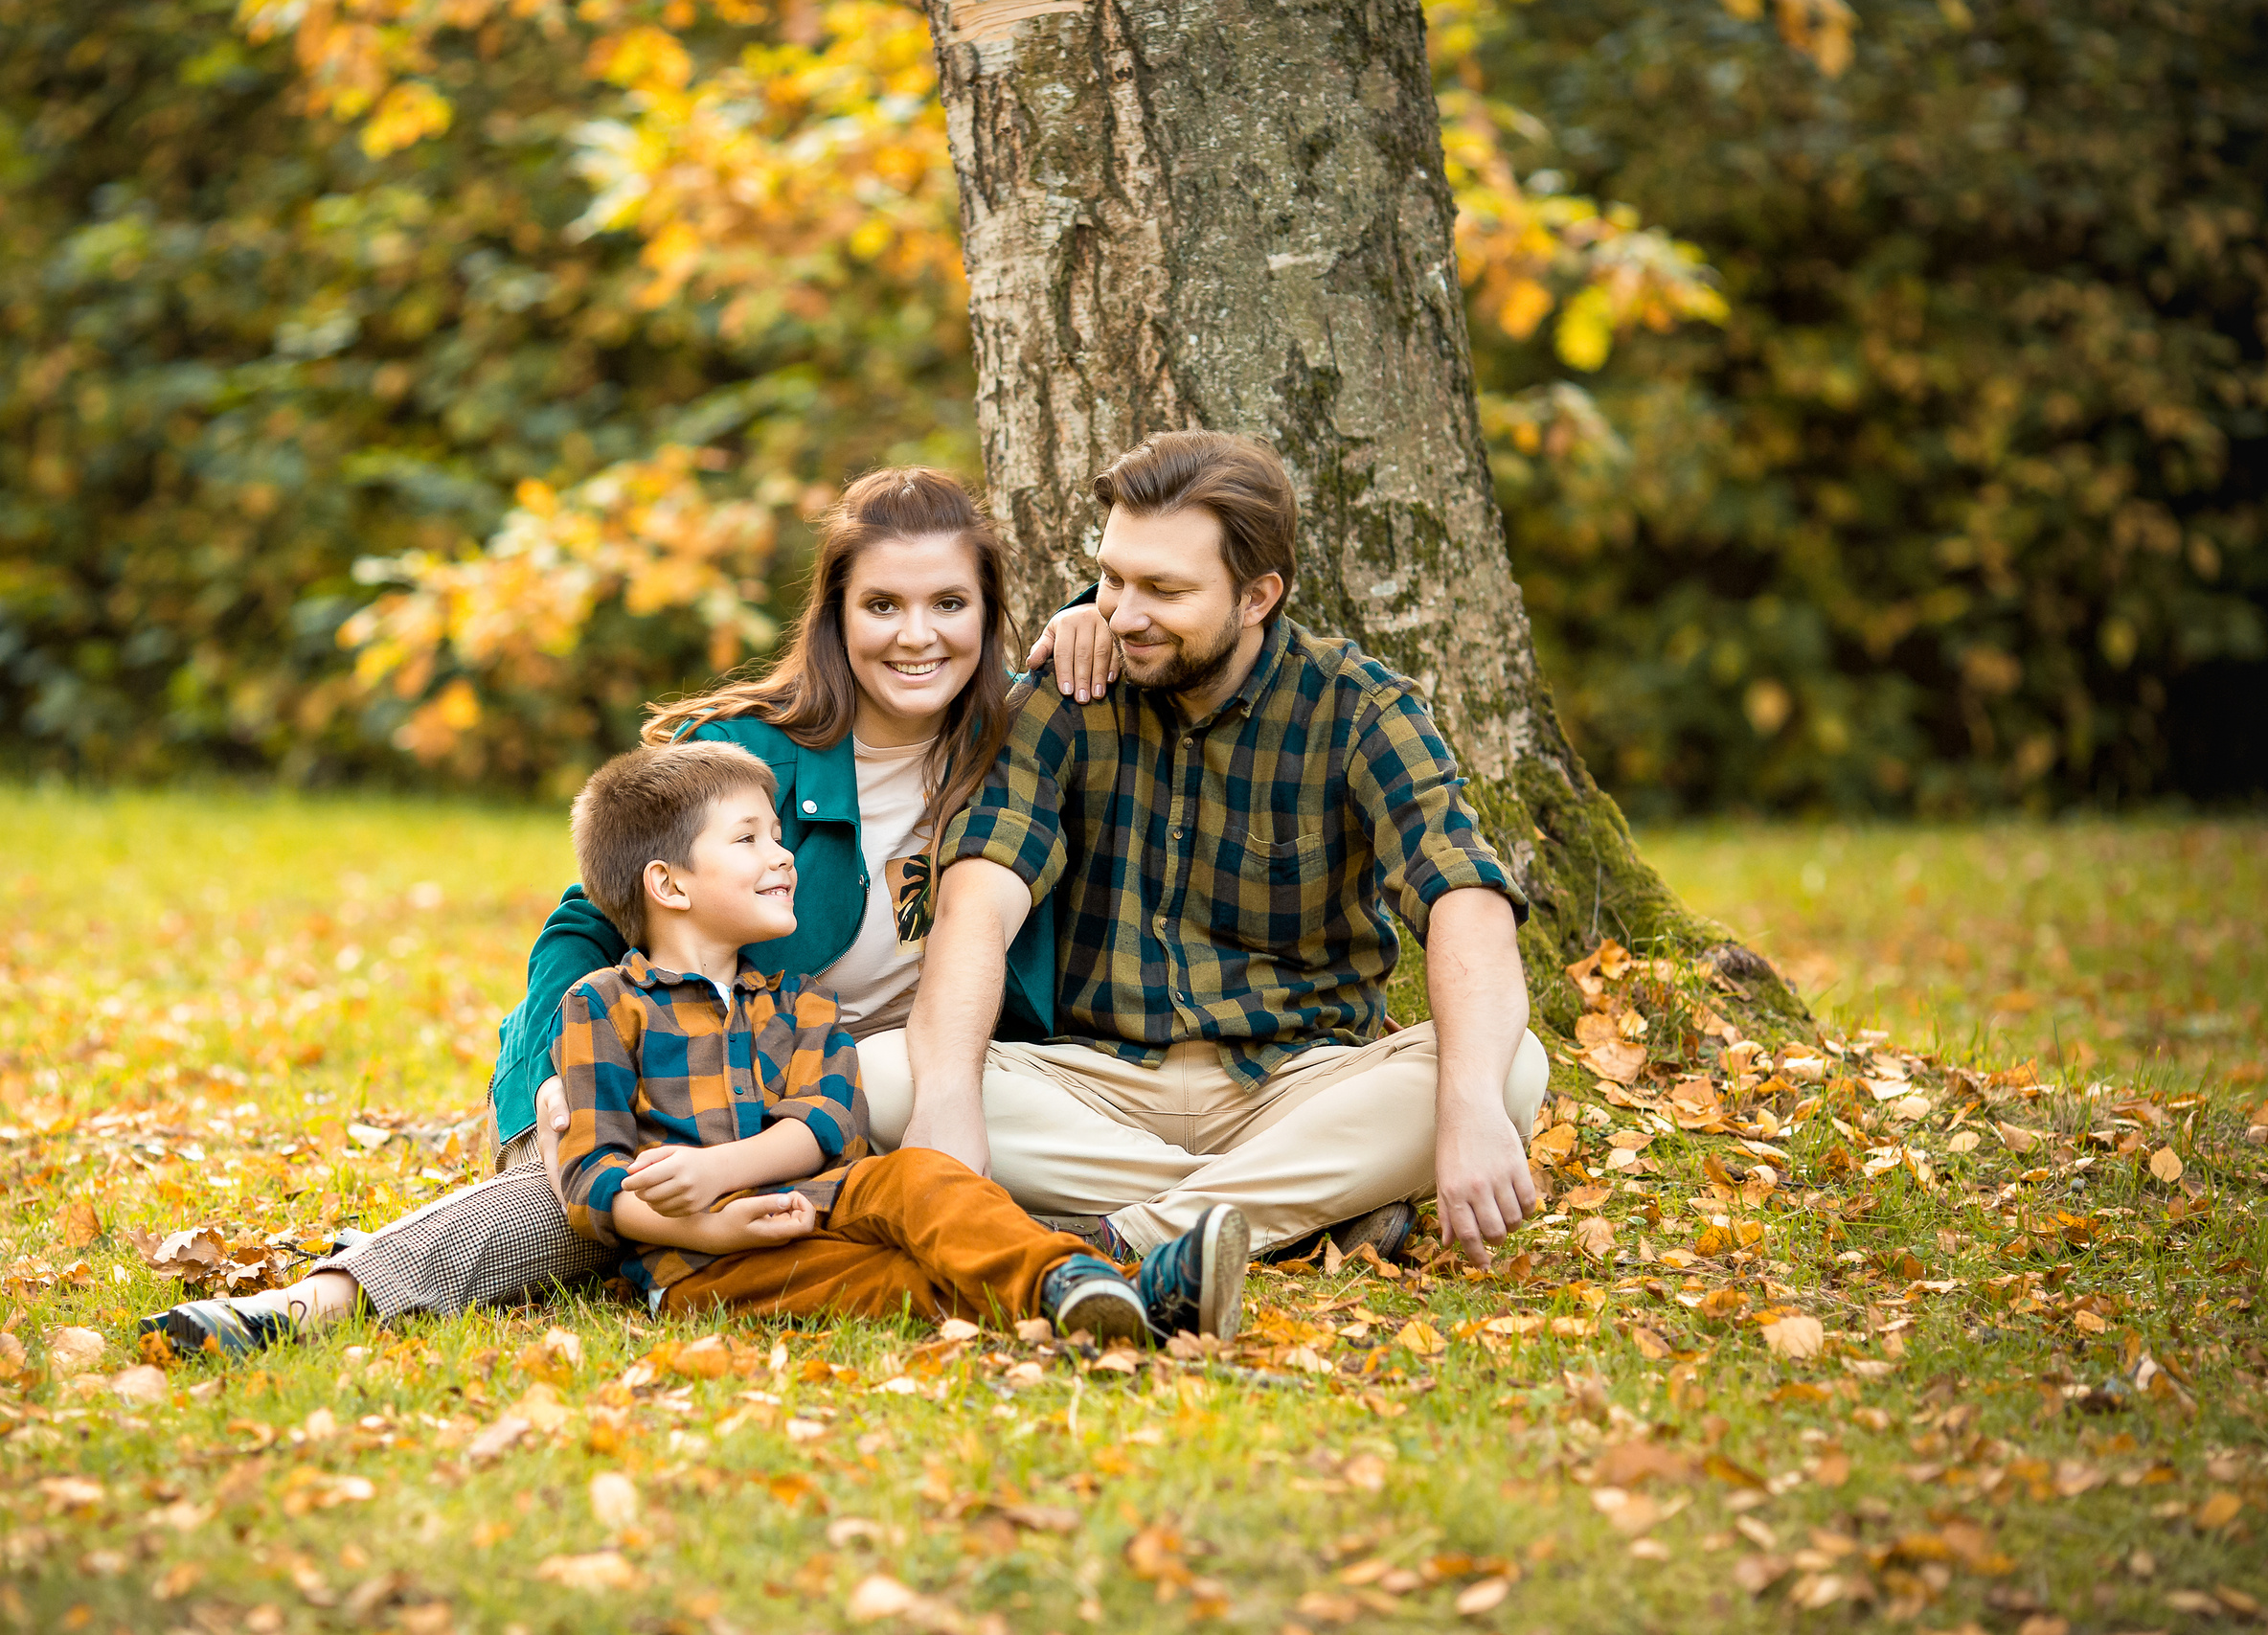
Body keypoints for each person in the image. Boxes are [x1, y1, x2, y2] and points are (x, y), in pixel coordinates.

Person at [140, 466, 1110, 1355]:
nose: (916, 635)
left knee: (891, 1201)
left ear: (991, 613)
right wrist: (566, 1080)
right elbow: (587, 920)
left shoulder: (1012, 755)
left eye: (949, 603)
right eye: (881, 605)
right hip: (658, 1068)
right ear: (834, 614)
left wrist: (1087, 616)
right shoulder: (743, 758)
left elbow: (1149, 621)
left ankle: (1080, 1277)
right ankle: (317, 1305)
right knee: (589, 1201)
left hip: (812, 1091)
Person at [894, 429, 1550, 1270]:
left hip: (1296, 1085)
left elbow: (1464, 896)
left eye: (1163, 589)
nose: (1124, 614)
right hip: (1097, 1086)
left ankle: (1127, 1233)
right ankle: (1301, 1209)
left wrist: (1466, 1108)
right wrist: (948, 1101)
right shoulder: (1067, 694)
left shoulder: (1358, 709)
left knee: (1510, 1072)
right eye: (1113, 577)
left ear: (1256, 596)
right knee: (891, 1074)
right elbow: (978, 899)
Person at [541, 738, 1245, 1340]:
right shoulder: (602, 1005)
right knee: (897, 1281)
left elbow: (829, 1119)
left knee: (923, 1174)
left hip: (829, 1199)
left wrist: (722, 1168)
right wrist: (706, 1225)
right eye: (749, 838)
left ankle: (1075, 1279)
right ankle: (1135, 1302)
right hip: (712, 1267)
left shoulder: (800, 1001)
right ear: (668, 883)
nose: (783, 857)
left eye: (778, 837)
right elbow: (590, 1176)